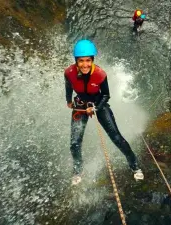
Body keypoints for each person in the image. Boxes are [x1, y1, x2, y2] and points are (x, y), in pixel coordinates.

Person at [64, 39, 144, 185]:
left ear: (92, 60)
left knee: (116, 138)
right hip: (80, 105)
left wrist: (95, 108)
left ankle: (135, 166)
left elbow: (106, 95)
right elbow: (68, 86)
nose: (85, 64)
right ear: (76, 61)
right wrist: (68, 100)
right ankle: (77, 171)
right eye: (81, 61)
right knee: (74, 143)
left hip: (99, 104)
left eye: (88, 60)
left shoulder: (100, 74)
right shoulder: (69, 73)